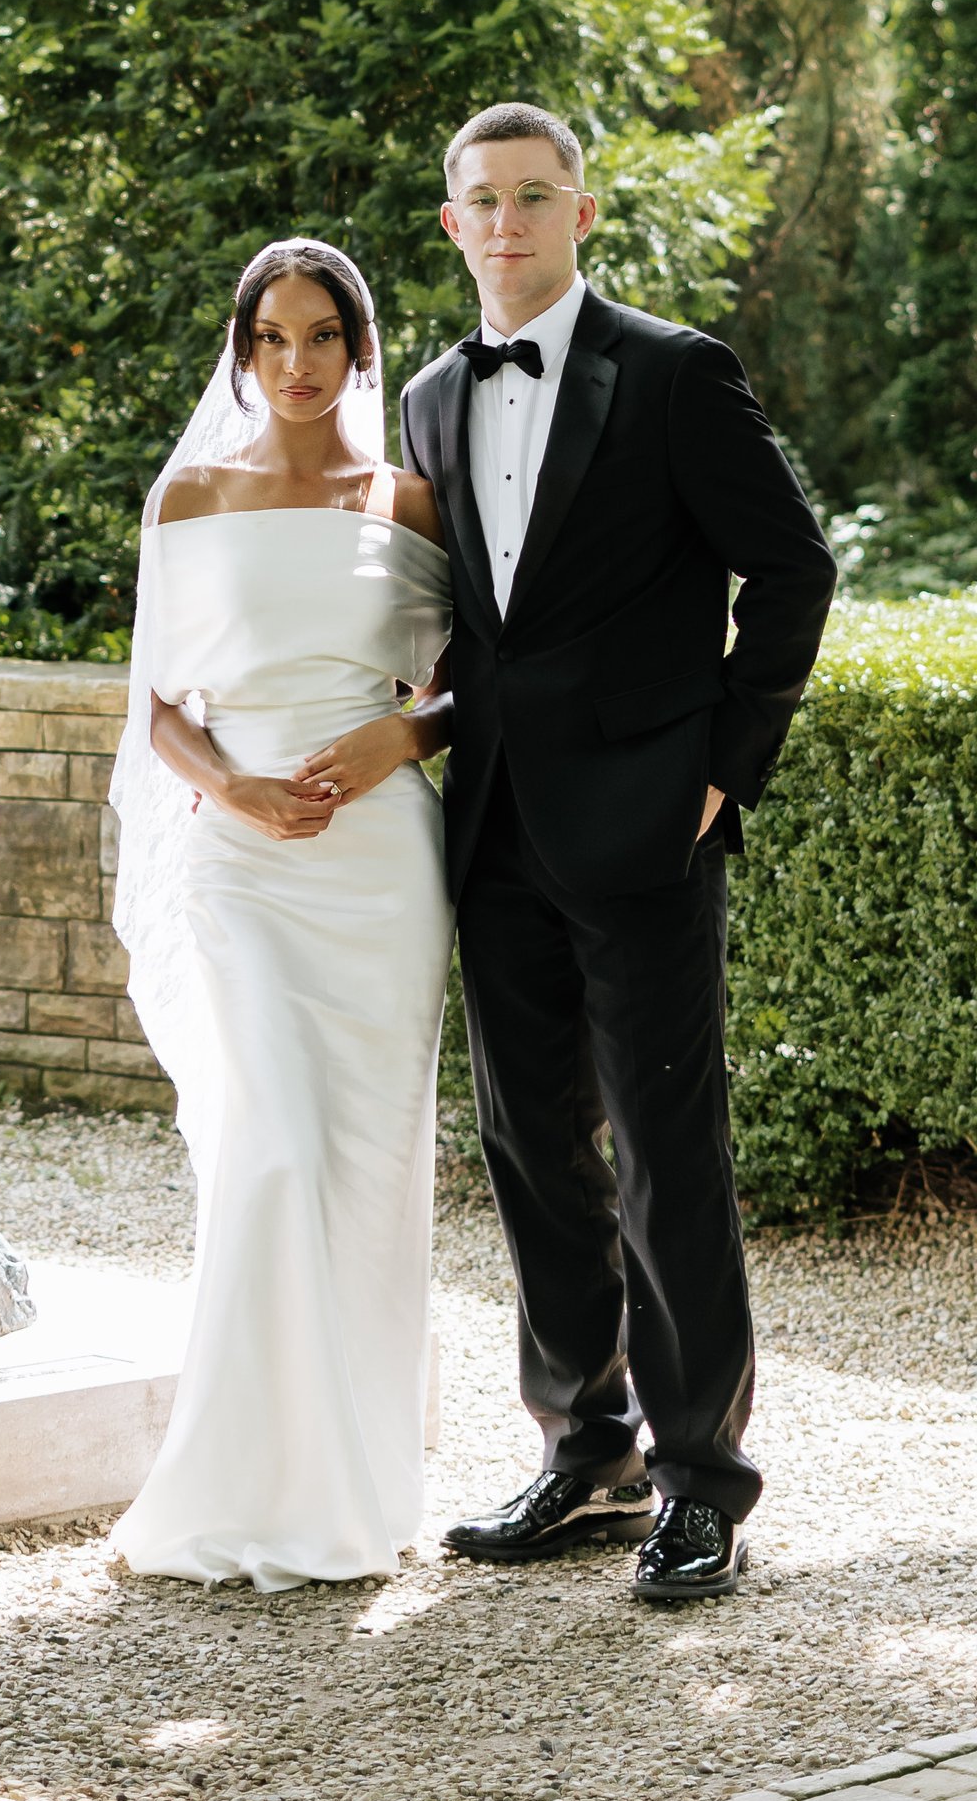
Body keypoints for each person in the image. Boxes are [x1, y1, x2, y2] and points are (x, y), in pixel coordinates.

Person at [399, 103, 835, 1601]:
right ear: (450, 222)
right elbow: (466, 617)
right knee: (530, 1149)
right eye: (483, 200)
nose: (508, 221)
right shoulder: (429, 397)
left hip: (650, 825)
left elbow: (793, 565)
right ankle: (587, 1449)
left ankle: (704, 1477)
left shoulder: (671, 373)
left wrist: (724, 768)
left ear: (582, 212)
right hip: (496, 824)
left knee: (666, 1151)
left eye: (536, 196)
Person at [108, 240, 454, 1589]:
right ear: (243, 351)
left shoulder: (409, 501)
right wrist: (236, 790)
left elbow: (469, 682)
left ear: (361, 350)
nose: (298, 365)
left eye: (324, 338)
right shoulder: (191, 492)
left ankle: (359, 1486)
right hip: (243, 861)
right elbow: (154, 709)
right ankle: (230, 1483)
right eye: (273, 339)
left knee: (368, 1175)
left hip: (380, 868)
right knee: (272, 1150)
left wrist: (398, 744)